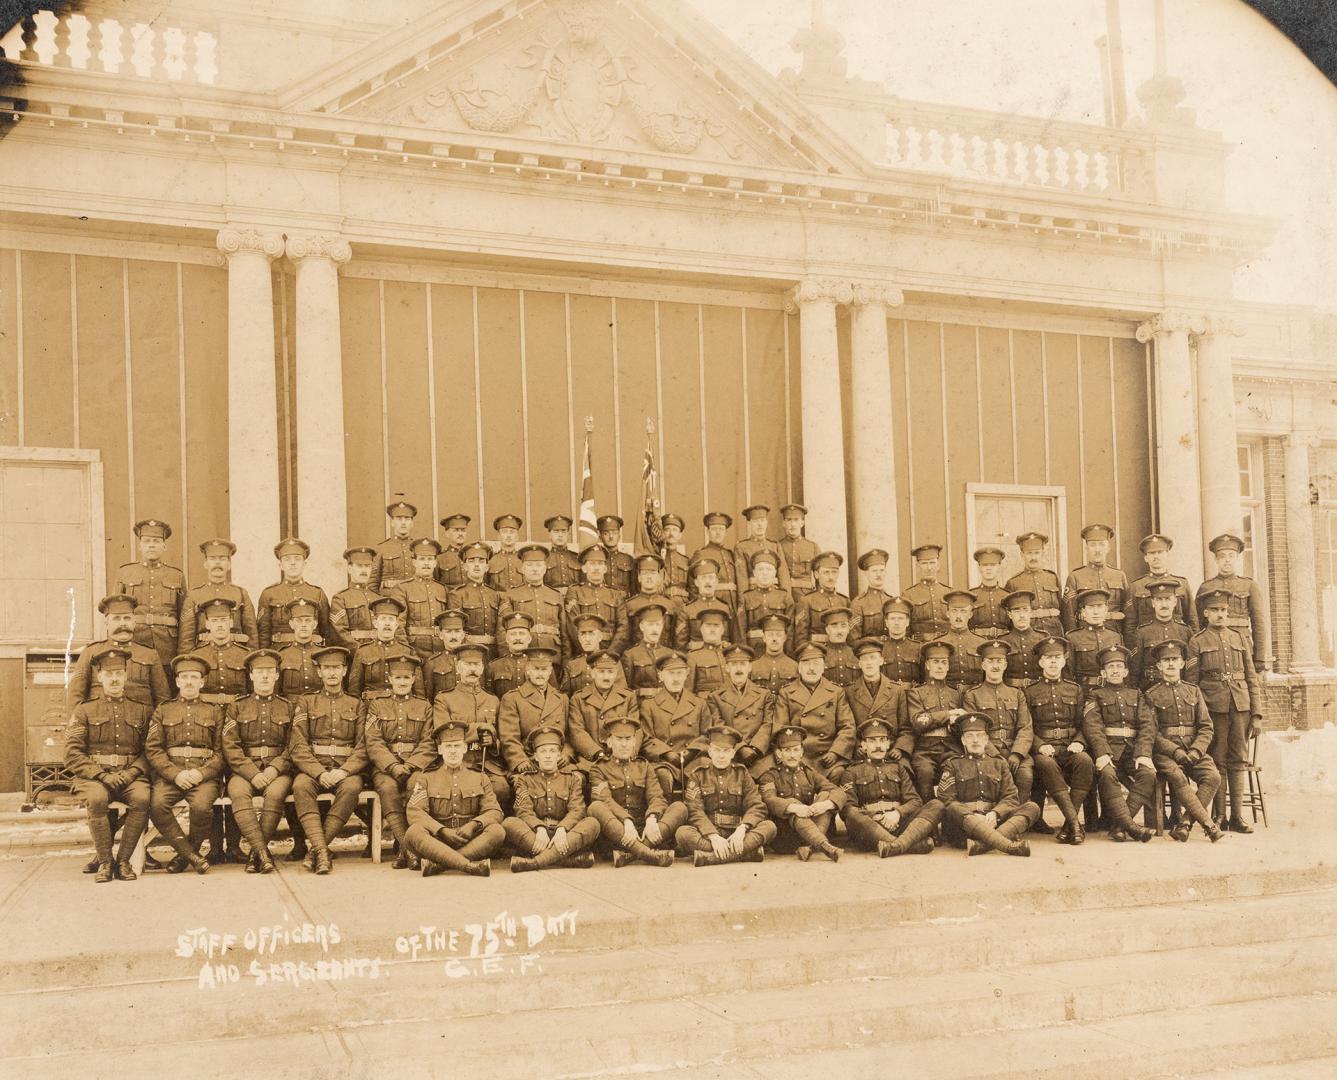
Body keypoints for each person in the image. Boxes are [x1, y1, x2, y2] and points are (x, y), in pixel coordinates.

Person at [64, 648, 153, 882]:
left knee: (142, 799)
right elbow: (72, 753)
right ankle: (105, 862)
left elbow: (150, 750)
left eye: (119, 674)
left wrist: (133, 771)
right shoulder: (84, 710)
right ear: (100, 676)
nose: (115, 679)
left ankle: (123, 861)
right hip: (94, 777)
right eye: (109, 674)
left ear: (126, 676)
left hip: (130, 776)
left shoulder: (143, 710)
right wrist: (101, 775)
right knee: (97, 799)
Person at [1188, 589, 1263, 833]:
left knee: (1238, 759)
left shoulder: (1240, 638)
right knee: (1218, 759)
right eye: (1215, 611)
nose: (1220, 615)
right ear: (1206, 613)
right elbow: (1192, 683)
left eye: (1224, 611)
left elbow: (1252, 677)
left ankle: (1237, 817)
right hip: (1213, 707)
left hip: (1240, 705)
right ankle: (1219, 817)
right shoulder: (1197, 641)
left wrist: (1257, 714)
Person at [288, 646, 366, 874]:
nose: (332, 673)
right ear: (319, 672)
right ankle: (322, 851)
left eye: (337, 668)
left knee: (352, 787)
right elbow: (298, 745)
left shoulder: (357, 704)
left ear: (344, 671)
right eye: (327, 668)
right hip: (315, 768)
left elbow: (363, 746)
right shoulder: (306, 702)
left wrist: (344, 771)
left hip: (345, 770)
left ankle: (316, 850)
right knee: (300, 785)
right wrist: (319, 773)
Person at [145, 653, 222, 874]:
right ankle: (191, 855)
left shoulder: (214, 711)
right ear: (177, 681)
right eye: (184, 677)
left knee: (201, 807)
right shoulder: (163, 710)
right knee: (157, 805)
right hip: (171, 775)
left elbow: (221, 752)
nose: (189, 682)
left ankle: (185, 856)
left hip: (203, 777)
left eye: (194, 677)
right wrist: (175, 774)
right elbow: (153, 749)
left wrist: (202, 773)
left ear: (202, 681)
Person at [221, 648, 294, 874]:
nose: (264, 676)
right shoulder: (237, 706)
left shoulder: (288, 707)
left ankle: (255, 854)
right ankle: (263, 853)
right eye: (259, 672)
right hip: (245, 770)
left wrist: (274, 769)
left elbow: (294, 746)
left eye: (269, 672)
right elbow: (230, 746)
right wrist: (252, 773)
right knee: (238, 793)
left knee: (274, 794)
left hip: (277, 770)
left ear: (276, 675)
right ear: (251, 676)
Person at [1146, 640, 1225, 843]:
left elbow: (1206, 726)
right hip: (1166, 753)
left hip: (1193, 749)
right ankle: (1209, 826)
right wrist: (1175, 752)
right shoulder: (1151, 695)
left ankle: (1185, 823)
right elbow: (1152, 733)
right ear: (1159, 666)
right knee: (1177, 776)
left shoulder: (1193, 691)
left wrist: (1197, 751)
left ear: (1182, 664)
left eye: (1175, 660)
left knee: (1213, 776)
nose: (1171, 664)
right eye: (1166, 660)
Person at [405, 717, 504, 877]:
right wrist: (441, 830)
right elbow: (415, 812)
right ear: (440, 750)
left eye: (457, 746)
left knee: (497, 831)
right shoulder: (426, 777)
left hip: (469, 839)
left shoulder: (479, 777)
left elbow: (494, 811)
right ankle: (468, 865)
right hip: (438, 840)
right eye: (448, 746)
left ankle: (439, 864)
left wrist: (474, 825)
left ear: (465, 748)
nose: (452, 751)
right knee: (413, 832)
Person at [364, 652, 437, 869]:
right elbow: (373, 741)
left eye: (407, 678)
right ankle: (409, 849)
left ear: (414, 679)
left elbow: (429, 742)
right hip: (385, 767)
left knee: (416, 786)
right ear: (390, 679)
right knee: (387, 788)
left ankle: (407, 847)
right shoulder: (377, 705)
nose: (402, 682)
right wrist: (393, 766)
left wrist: (410, 765)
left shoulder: (424, 706)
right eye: (398, 678)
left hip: (415, 765)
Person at [1081, 645, 1157, 843]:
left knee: (1148, 774)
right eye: (1110, 667)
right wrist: (1102, 753)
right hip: (1109, 751)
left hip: (1132, 752)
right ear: (1103, 672)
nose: (1115, 670)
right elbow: (1093, 727)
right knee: (1106, 774)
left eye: (1118, 666)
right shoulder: (1095, 695)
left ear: (1125, 671)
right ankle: (1132, 828)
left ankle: (1119, 826)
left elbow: (1148, 726)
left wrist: (1143, 754)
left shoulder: (1137, 694)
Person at [938, 712, 1039, 856]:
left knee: (1032, 807)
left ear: (986, 740)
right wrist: (973, 817)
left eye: (979, 736)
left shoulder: (999, 763)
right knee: (952, 807)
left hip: (993, 821)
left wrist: (995, 814)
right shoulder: (953, 764)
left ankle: (982, 845)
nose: (975, 740)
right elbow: (946, 799)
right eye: (970, 736)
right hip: (965, 826)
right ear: (963, 740)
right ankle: (1008, 846)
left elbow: (1010, 797)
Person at [676, 724, 776, 866]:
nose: (721, 755)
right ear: (710, 752)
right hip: (710, 834)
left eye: (726, 751)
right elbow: (694, 810)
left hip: (738, 834)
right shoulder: (698, 775)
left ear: (733, 753)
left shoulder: (742, 773)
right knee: (682, 833)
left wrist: (742, 830)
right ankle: (746, 854)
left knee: (770, 827)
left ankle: (710, 857)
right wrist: (713, 836)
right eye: (717, 750)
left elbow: (756, 805)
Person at [841, 718, 943, 857]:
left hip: (898, 823)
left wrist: (897, 813)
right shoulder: (852, 771)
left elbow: (915, 801)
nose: (878, 745)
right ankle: (906, 844)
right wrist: (876, 817)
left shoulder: (898, 768)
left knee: (936, 805)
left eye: (882, 740)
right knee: (852, 815)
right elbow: (848, 809)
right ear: (863, 745)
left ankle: (894, 846)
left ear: (888, 744)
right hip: (870, 828)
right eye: (872, 741)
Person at [588, 716, 682, 867]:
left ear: (634, 742)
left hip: (645, 830)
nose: (624, 744)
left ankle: (630, 854)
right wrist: (626, 820)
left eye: (628, 739)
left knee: (679, 807)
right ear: (609, 742)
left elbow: (656, 797)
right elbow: (605, 800)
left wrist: (652, 818)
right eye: (619, 739)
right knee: (596, 807)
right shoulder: (598, 768)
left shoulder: (644, 766)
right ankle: (648, 853)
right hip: (617, 834)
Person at [1024, 637, 1092, 845]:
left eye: (1057, 658)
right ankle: (1074, 824)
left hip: (1070, 746)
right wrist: (1039, 745)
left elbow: (1084, 723)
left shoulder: (1075, 689)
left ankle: (1067, 826)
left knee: (1085, 761)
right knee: (1045, 764)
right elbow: (1027, 727)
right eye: (1048, 658)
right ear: (1041, 662)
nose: (1053, 662)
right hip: (1044, 749)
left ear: (1064, 661)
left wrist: (1080, 741)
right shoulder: (1029, 691)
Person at [504, 726, 600, 871]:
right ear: (535, 756)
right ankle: (567, 860)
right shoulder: (525, 780)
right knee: (509, 823)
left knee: (592, 823)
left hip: (565, 835)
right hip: (536, 835)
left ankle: (535, 862)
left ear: (559, 755)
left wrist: (562, 828)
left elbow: (577, 810)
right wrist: (540, 828)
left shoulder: (572, 779)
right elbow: (523, 811)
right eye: (543, 751)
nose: (548, 756)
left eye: (552, 751)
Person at [431, 643, 508, 806]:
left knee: (501, 788)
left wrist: (494, 742)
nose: (472, 669)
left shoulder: (493, 700)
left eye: (476, 665)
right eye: (467, 665)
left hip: (487, 762)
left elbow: (503, 736)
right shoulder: (444, 699)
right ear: (458, 668)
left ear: (482, 669)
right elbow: (443, 733)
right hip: (458, 761)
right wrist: (480, 728)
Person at [66, 594, 170, 713]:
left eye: (127, 618)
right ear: (106, 623)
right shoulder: (90, 652)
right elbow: (75, 697)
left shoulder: (150, 655)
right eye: (116, 619)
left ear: (134, 622)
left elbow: (162, 700)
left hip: (141, 726)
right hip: (99, 724)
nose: (122, 624)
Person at [759, 724, 846, 861]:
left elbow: (837, 791)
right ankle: (822, 845)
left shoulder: (809, 773)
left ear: (802, 752)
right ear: (779, 753)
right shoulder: (770, 776)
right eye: (787, 750)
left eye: (795, 750)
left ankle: (811, 847)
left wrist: (826, 805)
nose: (792, 755)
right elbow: (769, 800)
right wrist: (794, 808)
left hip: (811, 829)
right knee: (792, 804)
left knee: (825, 795)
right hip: (786, 838)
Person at [771, 642, 856, 780]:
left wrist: (835, 752)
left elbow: (847, 727)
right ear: (799, 667)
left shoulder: (836, 692)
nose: (811, 669)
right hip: (798, 754)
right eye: (806, 663)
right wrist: (792, 755)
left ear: (823, 667)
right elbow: (780, 728)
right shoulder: (787, 692)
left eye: (816, 663)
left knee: (838, 773)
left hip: (827, 756)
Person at [963, 640, 1035, 804]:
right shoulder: (972, 695)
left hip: (1014, 749)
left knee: (1025, 775)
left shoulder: (1017, 694)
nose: (995, 666)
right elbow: (973, 730)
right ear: (983, 665)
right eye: (990, 661)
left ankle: (1018, 819)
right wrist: (994, 754)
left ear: (1005, 665)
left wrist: (1017, 753)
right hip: (987, 749)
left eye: (999, 661)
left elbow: (1025, 727)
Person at [115, 518, 186, 672]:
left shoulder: (177, 576)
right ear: (140, 546)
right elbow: (114, 612)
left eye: (156, 541)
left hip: (167, 647)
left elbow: (184, 617)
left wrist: (182, 651)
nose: (151, 545)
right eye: (147, 541)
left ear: (164, 546)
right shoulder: (125, 573)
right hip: (135, 641)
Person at [640, 651, 710, 800]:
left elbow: (707, 735)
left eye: (680, 673)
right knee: (661, 774)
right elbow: (646, 738)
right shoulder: (650, 705)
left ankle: (701, 813)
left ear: (686, 674)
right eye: (671, 673)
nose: (676, 678)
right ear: (660, 676)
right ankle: (668, 813)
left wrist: (692, 750)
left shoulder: (699, 704)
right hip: (665, 761)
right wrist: (667, 753)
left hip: (693, 759)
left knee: (706, 767)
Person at [1196, 533, 1269, 668]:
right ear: (1216, 560)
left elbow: (1258, 624)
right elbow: (1199, 624)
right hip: (1213, 648)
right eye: (1222, 556)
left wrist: (1259, 660)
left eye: (1231, 555)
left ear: (1237, 558)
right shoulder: (1206, 587)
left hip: (1242, 648)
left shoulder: (1249, 585)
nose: (1227, 560)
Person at [497, 640, 569, 774]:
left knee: (577, 779)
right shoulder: (513, 698)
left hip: (557, 762)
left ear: (550, 671)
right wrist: (520, 761)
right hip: (528, 762)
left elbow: (570, 735)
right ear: (528, 670)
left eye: (544, 669)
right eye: (536, 669)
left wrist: (566, 754)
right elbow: (509, 737)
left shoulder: (562, 699)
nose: (540, 674)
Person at [906, 640, 963, 802]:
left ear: (948, 667)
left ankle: (951, 820)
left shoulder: (956, 694)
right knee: (924, 773)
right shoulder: (916, 693)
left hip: (951, 748)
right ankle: (928, 820)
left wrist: (955, 723)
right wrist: (949, 714)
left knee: (957, 770)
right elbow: (919, 722)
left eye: (944, 663)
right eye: (935, 662)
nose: (940, 667)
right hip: (925, 749)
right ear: (927, 665)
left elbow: (961, 725)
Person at [706, 643, 774, 777]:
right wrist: (740, 747)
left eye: (743, 664)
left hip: (759, 756)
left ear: (749, 667)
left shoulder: (764, 694)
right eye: (734, 664)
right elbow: (718, 725)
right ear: (727, 668)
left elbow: (768, 724)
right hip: (729, 755)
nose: (738, 669)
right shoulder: (715, 696)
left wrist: (755, 748)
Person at [179, 538, 258, 652]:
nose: (217, 563)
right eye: (212, 559)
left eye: (222, 559)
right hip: (204, 655)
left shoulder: (240, 593)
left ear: (229, 564)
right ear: (205, 564)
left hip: (236, 655)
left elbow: (252, 633)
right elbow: (186, 637)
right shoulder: (194, 595)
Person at [256, 537, 332, 649]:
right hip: (279, 652)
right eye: (287, 559)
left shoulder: (317, 593)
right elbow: (263, 633)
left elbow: (327, 632)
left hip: (312, 653)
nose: (292, 563)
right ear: (280, 565)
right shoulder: (269, 594)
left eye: (297, 559)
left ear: (304, 563)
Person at [568, 650, 639, 771]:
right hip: (591, 759)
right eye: (601, 672)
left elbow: (636, 729)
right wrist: (597, 753)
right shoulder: (578, 698)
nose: (606, 677)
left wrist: (626, 752)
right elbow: (577, 732)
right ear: (593, 674)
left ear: (616, 674)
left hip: (622, 757)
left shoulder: (628, 697)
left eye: (610, 672)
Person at [846, 639, 912, 759]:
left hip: (891, 751)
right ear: (859, 664)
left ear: (881, 661)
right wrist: (857, 747)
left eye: (873, 658)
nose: (869, 663)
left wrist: (899, 748)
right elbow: (847, 728)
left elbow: (906, 728)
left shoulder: (897, 690)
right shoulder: (849, 692)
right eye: (864, 659)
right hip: (862, 752)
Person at [348, 597, 423, 700]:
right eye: (383, 619)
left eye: (391, 619)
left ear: (396, 624)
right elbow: (354, 691)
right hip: (370, 707)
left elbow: (419, 693)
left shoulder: (408, 651)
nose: (387, 623)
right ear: (375, 623)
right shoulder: (363, 652)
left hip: (399, 708)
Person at [389, 537, 450, 662]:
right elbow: (398, 625)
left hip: (440, 650)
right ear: (414, 562)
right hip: (414, 650)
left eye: (429, 559)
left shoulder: (442, 589)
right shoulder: (402, 588)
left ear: (435, 562)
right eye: (422, 559)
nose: (426, 563)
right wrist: (407, 652)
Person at [614, 553, 689, 652]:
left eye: (653, 573)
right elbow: (624, 636)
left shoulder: (670, 605)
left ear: (659, 577)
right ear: (639, 577)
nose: (649, 577)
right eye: (645, 573)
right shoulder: (629, 606)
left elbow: (677, 638)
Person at [1062, 523, 1128, 633]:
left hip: (1115, 633)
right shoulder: (1075, 576)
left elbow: (1129, 613)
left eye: (1102, 544)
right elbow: (1069, 617)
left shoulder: (1119, 576)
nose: (1097, 550)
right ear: (1086, 548)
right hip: (1085, 637)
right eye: (1093, 545)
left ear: (1108, 548)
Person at [1125, 533, 1196, 633]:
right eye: (1152, 553)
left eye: (1160, 552)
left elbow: (1192, 620)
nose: (1156, 556)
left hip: (1177, 641)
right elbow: (1130, 624)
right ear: (1146, 558)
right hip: (1147, 643)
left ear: (1167, 555)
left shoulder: (1182, 584)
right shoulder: (1136, 587)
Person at [1129, 581, 1192, 689]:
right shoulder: (1142, 632)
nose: (1164, 605)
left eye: (1167, 599)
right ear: (1153, 603)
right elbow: (1135, 669)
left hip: (1178, 688)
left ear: (1175, 602)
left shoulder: (1185, 631)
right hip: (1149, 687)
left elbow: (1190, 668)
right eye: (1159, 600)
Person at [189, 598, 250, 706]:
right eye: (214, 621)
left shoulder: (245, 654)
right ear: (207, 624)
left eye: (223, 620)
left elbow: (252, 692)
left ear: (231, 622)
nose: (220, 625)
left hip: (237, 710)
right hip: (207, 714)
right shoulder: (197, 655)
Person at [565, 545, 623, 656]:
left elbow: (623, 627)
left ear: (605, 568)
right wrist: (588, 650)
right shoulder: (575, 592)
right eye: (592, 564)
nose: (596, 568)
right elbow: (573, 627)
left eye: (600, 564)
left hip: (611, 652)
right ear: (584, 568)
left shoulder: (615, 594)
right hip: (584, 652)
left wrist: (610, 653)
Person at [499, 543, 565, 643]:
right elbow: (502, 629)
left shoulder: (556, 596)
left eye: (538, 565)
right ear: (523, 569)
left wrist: (566, 657)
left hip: (553, 650)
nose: (535, 569)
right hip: (525, 649)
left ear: (544, 569)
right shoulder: (511, 595)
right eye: (529, 565)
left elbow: (564, 632)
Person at [1004, 532, 1063, 636]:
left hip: (1054, 632)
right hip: (1029, 634)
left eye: (1037, 553)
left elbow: (1063, 610)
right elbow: (1008, 616)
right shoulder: (1013, 582)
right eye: (1029, 553)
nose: (1033, 557)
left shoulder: (1052, 578)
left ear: (1043, 553)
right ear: (1022, 555)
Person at [449, 541, 501, 657]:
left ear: (487, 567)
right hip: (468, 652)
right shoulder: (457, 595)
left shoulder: (494, 595)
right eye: (471, 561)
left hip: (493, 653)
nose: (476, 565)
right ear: (465, 566)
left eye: (481, 561)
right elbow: (456, 629)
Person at [1066, 589, 1124, 689]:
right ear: (1083, 611)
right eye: (1091, 607)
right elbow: (1068, 673)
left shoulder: (1116, 636)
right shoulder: (1072, 638)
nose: (1096, 612)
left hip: (1111, 691)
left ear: (1106, 609)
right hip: (1084, 691)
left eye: (1100, 607)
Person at [738, 550, 795, 649]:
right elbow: (740, 629)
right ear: (754, 573)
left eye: (768, 569)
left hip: (779, 649)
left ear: (774, 573)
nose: (764, 573)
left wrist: (787, 652)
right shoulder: (746, 597)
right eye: (760, 569)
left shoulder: (784, 597)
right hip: (753, 649)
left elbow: (790, 629)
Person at [932, 590, 987, 691]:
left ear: (970, 614)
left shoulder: (981, 644)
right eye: (954, 611)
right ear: (948, 614)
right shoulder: (937, 644)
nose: (958, 616)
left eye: (963, 611)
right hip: (947, 697)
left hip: (975, 697)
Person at [331, 547, 384, 650]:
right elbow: (339, 633)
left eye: (367, 566)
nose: (364, 570)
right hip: (354, 656)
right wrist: (361, 652)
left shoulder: (377, 598)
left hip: (378, 654)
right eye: (359, 566)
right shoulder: (341, 598)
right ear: (349, 569)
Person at [794, 551, 849, 650]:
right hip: (816, 652)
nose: (831, 577)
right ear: (816, 574)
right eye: (826, 572)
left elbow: (850, 634)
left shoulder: (844, 601)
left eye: (834, 572)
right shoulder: (806, 601)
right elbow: (800, 636)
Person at [690, 512, 742, 615]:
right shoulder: (701, 554)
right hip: (712, 605)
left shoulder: (730, 554)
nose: (718, 533)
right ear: (708, 532)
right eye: (714, 529)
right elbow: (692, 586)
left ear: (726, 532)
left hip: (733, 605)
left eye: (721, 529)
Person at [734, 505, 793, 594]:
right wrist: (743, 603)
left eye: (762, 520)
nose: (759, 524)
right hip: (753, 594)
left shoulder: (774, 545)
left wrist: (787, 599)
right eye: (755, 521)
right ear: (749, 524)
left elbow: (783, 575)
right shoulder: (742, 547)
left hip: (774, 595)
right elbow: (742, 579)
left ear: (766, 523)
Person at [621, 603, 674, 700]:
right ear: (641, 626)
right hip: (642, 707)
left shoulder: (670, 654)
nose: (655, 629)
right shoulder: (630, 655)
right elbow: (625, 691)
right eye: (650, 624)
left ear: (662, 626)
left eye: (658, 624)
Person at [686, 557, 741, 646]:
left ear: (716, 581)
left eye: (711, 577)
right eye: (703, 578)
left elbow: (731, 639)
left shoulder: (725, 608)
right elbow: (681, 645)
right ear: (696, 582)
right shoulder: (687, 609)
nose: (708, 581)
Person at [277, 598, 326, 699]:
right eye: (299, 621)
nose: (303, 625)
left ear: (315, 624)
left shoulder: (323, 654)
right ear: (291, 624)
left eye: (308, 620)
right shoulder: (282, 655)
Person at [561, 614, 621, 695]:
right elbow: (565, 697)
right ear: (578, 637)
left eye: (591, 633)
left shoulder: (613, 662)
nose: (587, 639)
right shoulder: (572, 665)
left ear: (600, 636)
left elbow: (621, 695)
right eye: (583, 634)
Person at [1000, 591, 1047, 688]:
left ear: (1031, 613)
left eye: (1025, 610)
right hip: (1012, 691)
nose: (1021, 615)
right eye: (1017, 611)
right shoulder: (1003, 641)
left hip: (1038, 692)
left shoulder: (1043, 638)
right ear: (1009, 614)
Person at [905, 543, 951, 641]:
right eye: (924, 563)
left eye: (932, 563)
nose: (929, 568)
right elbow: (905, 630)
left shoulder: (949, 593)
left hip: (946, 647)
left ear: (938, 565)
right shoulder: (908, 595)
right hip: (920, 647)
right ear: (918, 566)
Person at [372, 501, 419, 594]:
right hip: (390, 600)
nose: (403, 523)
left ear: (412, 523)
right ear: (392, 522)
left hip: (415, 597)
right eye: (399, 519)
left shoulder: (418, 547)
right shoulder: (381, 548)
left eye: (407, 519)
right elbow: (373, 583)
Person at [777, 504, 820, 601]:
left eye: (796, 520)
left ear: (802, 523)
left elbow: (820, 577)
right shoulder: (777, 546)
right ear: (783, 523)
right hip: (782, 596)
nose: (792, 524)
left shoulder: (812, 547)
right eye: (789, 520)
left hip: (806, 596)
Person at [423, 610, 468, 699]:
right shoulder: (432, 663)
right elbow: (429, 697)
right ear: (441, 635)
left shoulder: (473, 661)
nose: (453, 636)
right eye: (448, 631)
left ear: (463, 635)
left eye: (457, 631)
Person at [686, 605, 731, 694]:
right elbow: (688, 692)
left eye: (716, 626)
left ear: (723, 629)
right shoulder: (693, 657)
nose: (712, 630)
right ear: (701, 629)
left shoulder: (731, 654)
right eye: (708, 625)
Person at [488, 612, 534, 699]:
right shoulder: (494, 666)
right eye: (513, 634)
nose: (517, 638)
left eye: (522, 633)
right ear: (506, 638)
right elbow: (489, 699)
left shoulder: (538, 664)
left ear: (529, 638)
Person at [850, 549, 893, 642]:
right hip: (869, 652)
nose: (879, 575)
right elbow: (854, 639)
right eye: (874, 571)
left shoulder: (892, 601)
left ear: (885, 572)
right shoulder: (858, 603)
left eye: (882, 570)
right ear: (866, 574)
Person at [969, 546, 1011, 639]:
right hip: (978, 643)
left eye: (992, 565)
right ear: (979, 567)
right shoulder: (971, 596)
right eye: (984, 565)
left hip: (1003, 643)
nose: (988, 568)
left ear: (999, 567)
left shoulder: (1007, 596)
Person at [751, 614, 798, 695]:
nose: (774, 639)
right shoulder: (753, 667)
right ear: (764, 638)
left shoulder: (795, 666)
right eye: (770, 635)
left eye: (778, 635)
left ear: (785, 638)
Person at [879, 597, 921, 688]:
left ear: (907, 622)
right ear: (886, 622)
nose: (896, 623)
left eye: (901, 618)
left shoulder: (918, 648)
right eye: (892, 618)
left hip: (913, 697)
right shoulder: (879, 648)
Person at [597, 514, 636, 597]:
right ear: (600, 537)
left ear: (619, 536)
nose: (611, 537)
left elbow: (634, 588)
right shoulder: (596, 559)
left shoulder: (629, 560)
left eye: (614, 533)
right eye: (606, 533)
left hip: (624, 601)